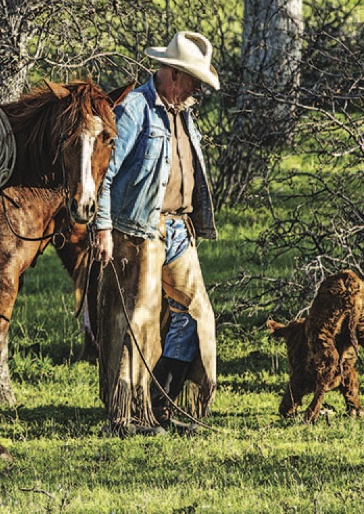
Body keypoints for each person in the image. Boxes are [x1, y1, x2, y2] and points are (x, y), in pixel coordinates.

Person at [94, 30, 219, 435]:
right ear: (173, 75)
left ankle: (163, 402)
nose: (196, 88)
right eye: (194, 80)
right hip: (140, 229)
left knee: (196, 314)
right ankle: (126, 414)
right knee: (138, 322)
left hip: (179, 228)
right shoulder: (134, 109)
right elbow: (105, 175)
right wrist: (103, 228)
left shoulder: (182, 111)